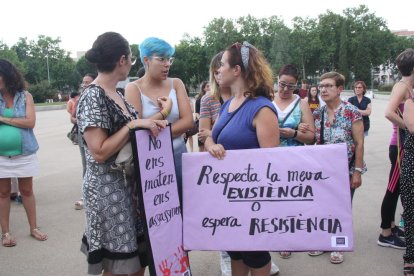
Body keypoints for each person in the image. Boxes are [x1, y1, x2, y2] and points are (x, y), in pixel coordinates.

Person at [76, 32, 167, 275]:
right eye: (131, 59)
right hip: (108, 192)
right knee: (119, 264)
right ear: (122, 60)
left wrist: (159, 116)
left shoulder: (117, 93)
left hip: (128, 190)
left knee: (136, 261)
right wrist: (134, 125)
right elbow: (99, 151)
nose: (130, 64)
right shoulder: (93, 95)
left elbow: (133, 129)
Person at [205, 41, 279, 276]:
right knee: (235, 251)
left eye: (223, 65)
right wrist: (210, 145)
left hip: (251, 201)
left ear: (237, 70)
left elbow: (272, 164)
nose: (218, 70)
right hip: (226, 197)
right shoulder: (228, 104)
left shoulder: (262, 109)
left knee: (255, 254)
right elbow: (210, 137)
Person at [125, 37, 193, 204]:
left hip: (179, 155)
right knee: (158, 211)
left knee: (186, 205)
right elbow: (138, 130)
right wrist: (165, 112)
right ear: (146, 60)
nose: (167, 64)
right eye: (161, 59)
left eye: (169, 59)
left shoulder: (176, 84)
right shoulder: (133, 88)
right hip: (150, 160)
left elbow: (188, 122)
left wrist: (155, 129)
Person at [311, 71, 365, 264]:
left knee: (342, 208)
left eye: (328, 86)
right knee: (322, 207)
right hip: (324, 171)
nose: (323, 89)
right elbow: (313, 140)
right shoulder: (318, 113)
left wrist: (357, 172)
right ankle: (323, 240)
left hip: (346, 169)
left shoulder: (352, 111)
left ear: (340, 89)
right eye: (321, 86)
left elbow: (359, 143)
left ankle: (337, 245)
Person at [0, 58, 47, 247]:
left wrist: (3, 118)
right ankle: (6, 233)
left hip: (25, 153)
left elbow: (30, 123)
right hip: (1, 156)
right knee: (3, 193)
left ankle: (33, 227)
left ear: (7, 75)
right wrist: (15, 119)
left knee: (27, 191)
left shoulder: (25, 96)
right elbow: (24, 120)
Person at [273, 64, 315, 259]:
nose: (284, 90)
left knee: (292, 200)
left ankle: (289, 238)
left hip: (294, 160)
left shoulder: (302, 104)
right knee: (273, 201)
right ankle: (278, 237)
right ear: (276, 79)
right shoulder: (266, 100)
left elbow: (311, 137)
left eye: (290, 86)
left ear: (296, 86)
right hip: (270, 159)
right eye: (282, 84)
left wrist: (295, 133)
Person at [378, 48, 414, 250]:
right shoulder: (402, 87)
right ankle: (385, 233)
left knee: (397, 187)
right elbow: (388, 112)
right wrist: (408, 127)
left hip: (402, 145)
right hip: (399, 146)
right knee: (393, 189)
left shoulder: (407, 86)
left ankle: (391, 227)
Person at [72, 73, 96, 210]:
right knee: (86, 166)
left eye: (87, 82)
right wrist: (79, 120)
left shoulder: (99, 96)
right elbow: (72, 118)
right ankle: (85, 195)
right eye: (83, 82)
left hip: (96, 139)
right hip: (83, 138)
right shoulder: (80, 98)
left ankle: (94, 194)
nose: (84, 84)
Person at [198, 52, 231, 153]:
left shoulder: (242, 97)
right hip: (216, 153)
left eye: (220, 72)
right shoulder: (208, 99)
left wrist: (211, 133)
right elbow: (202, 135)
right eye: (215, 73)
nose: (218, 76)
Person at [401, 85, 414, 276]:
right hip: (412, 161)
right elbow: (412, 127)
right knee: (411, 209)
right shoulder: (411, 103)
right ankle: (411, 256)